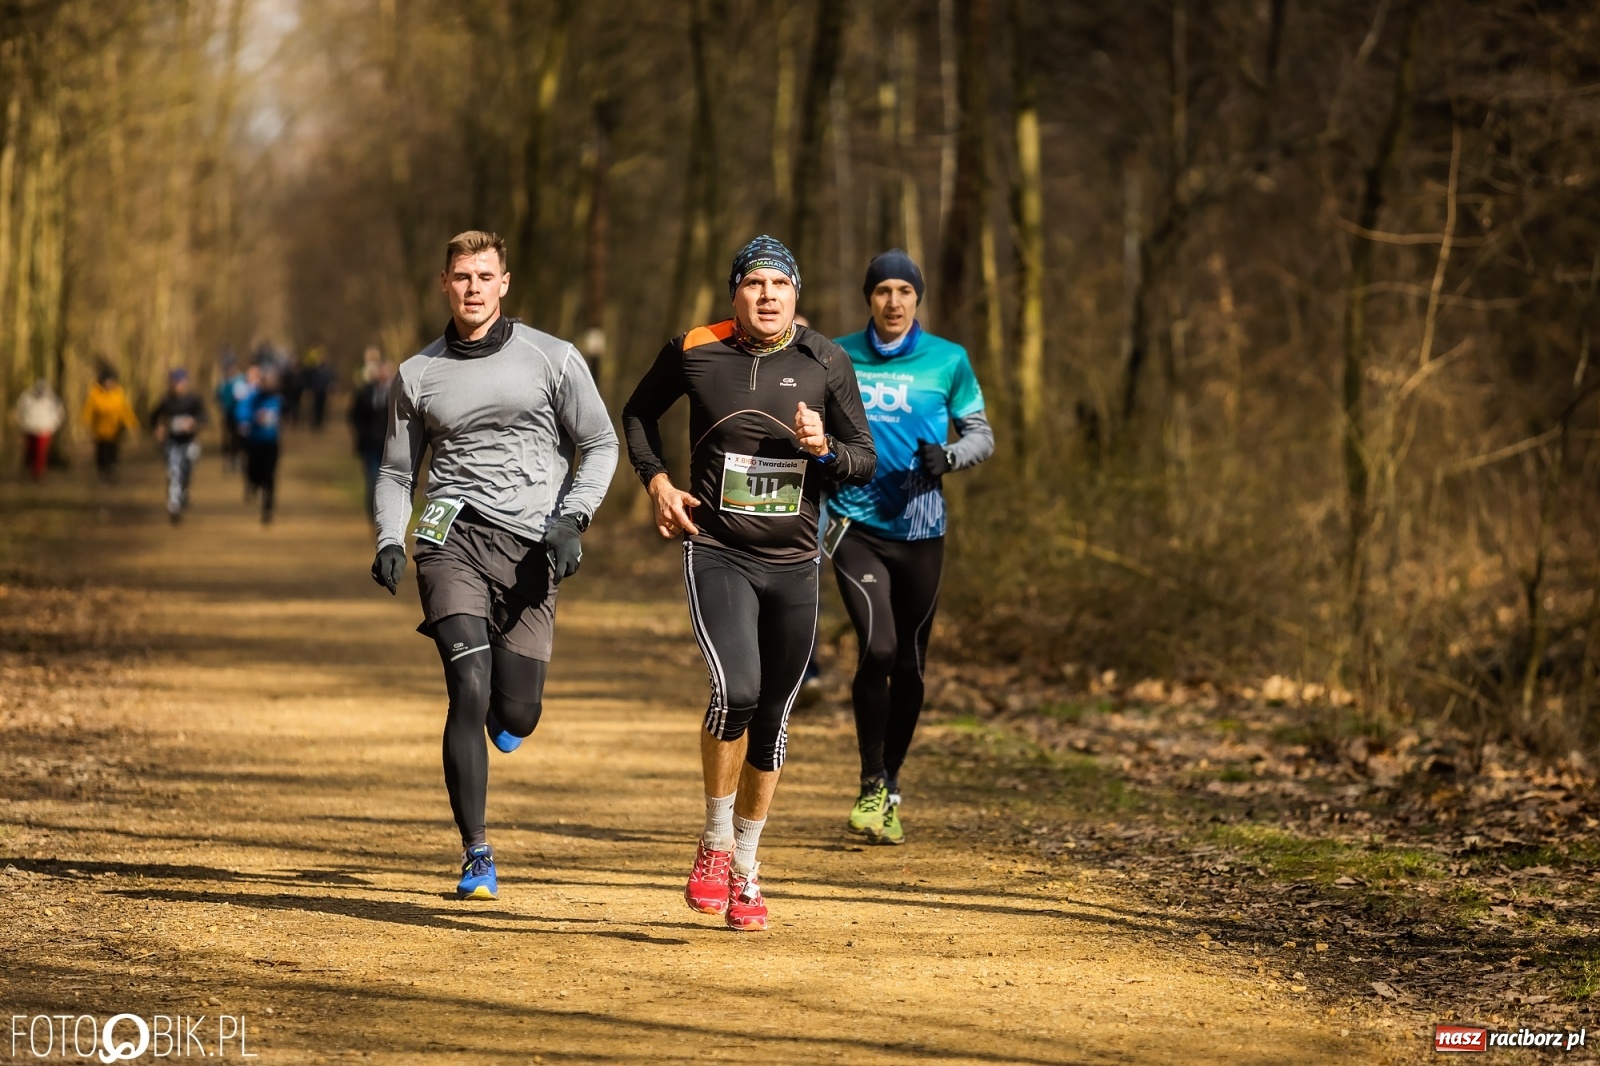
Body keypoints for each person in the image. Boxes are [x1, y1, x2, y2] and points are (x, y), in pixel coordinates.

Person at [622, 236, 875, 931]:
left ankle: (748, 870)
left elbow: (865, 461)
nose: (767, 294)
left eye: (780, 283)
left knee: (773, 719)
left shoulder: (826, 360)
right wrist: (659, 483)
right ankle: (712, 840)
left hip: (794, 565)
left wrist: (824, 449)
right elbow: (639, 413)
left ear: (798, 293)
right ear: (735, 292)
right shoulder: (695, 348)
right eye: (754, 282)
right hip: (718, 551)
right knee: (736, 690)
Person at [371, 230, 618, 901]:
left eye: (485, 275)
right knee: (468, 688)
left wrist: (574, 519)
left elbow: (598, 443)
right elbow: (397, 470)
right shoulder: (417, 374)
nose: (473, 287)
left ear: (504, 282)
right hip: (449, 538)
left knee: (518, 712)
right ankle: (476, 852)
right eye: (461, 276)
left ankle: (507, 723)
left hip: (533, 547)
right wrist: (391, 538)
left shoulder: (554, 359)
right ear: (444, 285)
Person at [827, 249, 994, 846]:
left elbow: (981, 435)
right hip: (854, 526)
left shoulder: (948, 360)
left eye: (904, 291)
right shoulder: (838, 354)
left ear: (917, 299)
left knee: (911, 666)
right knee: (877, 648)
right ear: (868, 298)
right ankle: (871, 780)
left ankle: (890, 787)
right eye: (882, 291)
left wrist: (947, 457)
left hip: (922, 529)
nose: (893, 302)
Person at [149, 369, 209, 523]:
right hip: (172, 442)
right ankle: (174, 506)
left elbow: (204, 417)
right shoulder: (166, 401)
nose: (178, 386)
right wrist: (158, 428)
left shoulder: (193, 400)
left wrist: (194, 422)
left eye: (180, 383)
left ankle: (184, 491)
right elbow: (153, 417)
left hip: (190, 443)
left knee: (187, 468)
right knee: (174, 472)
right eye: (175, 383)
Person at [348, 358, 393, 523]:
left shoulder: (398, 394)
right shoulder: (365, 392)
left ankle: (386, 516)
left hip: (390, 447)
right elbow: (354, 415)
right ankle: (372, 515)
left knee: (388, 482)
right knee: (372, 480)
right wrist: (362, 434)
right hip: (370, 446)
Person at [81, 367, 141, 483]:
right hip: (99, 430)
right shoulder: (95, 394)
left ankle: (112, 470)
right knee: (101, 451)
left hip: (115, 430)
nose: (110, 384)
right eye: (107, 381)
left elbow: (125, 410)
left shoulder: (118, 393)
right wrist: (86, 421)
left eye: (112, 381)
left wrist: (132, 423)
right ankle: (102, 471)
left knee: (113, 450)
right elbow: (89, 409)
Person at [241, 367, 283, 524]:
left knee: (270, 476)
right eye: (265, 383)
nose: (268, 386)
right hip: (254, 442)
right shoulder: (252, 398)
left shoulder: (278, 400)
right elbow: (242, 414)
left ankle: (268, 508)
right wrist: (254, 418)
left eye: (270, 383)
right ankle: (253, 485)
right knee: (254, 472)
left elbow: (287, 415)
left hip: (271, 443)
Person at [15, 379, 65, 480]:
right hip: (29, 428)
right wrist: (23, 423)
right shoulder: (26, 398)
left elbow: (59, 413)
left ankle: (38, 472)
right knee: (31, 450)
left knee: (41, 452)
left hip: (44, 430)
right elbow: (19, 411)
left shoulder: (51, 399)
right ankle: (31, 469)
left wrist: (53, 425)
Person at [216, 355, 249, 473]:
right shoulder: (223, 382)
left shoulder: (242, 379)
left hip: (240, 415)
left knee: (239, 437)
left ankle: (238, 459)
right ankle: (229, 459)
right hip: (228, 414)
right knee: (227, 437)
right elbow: (218, 396)